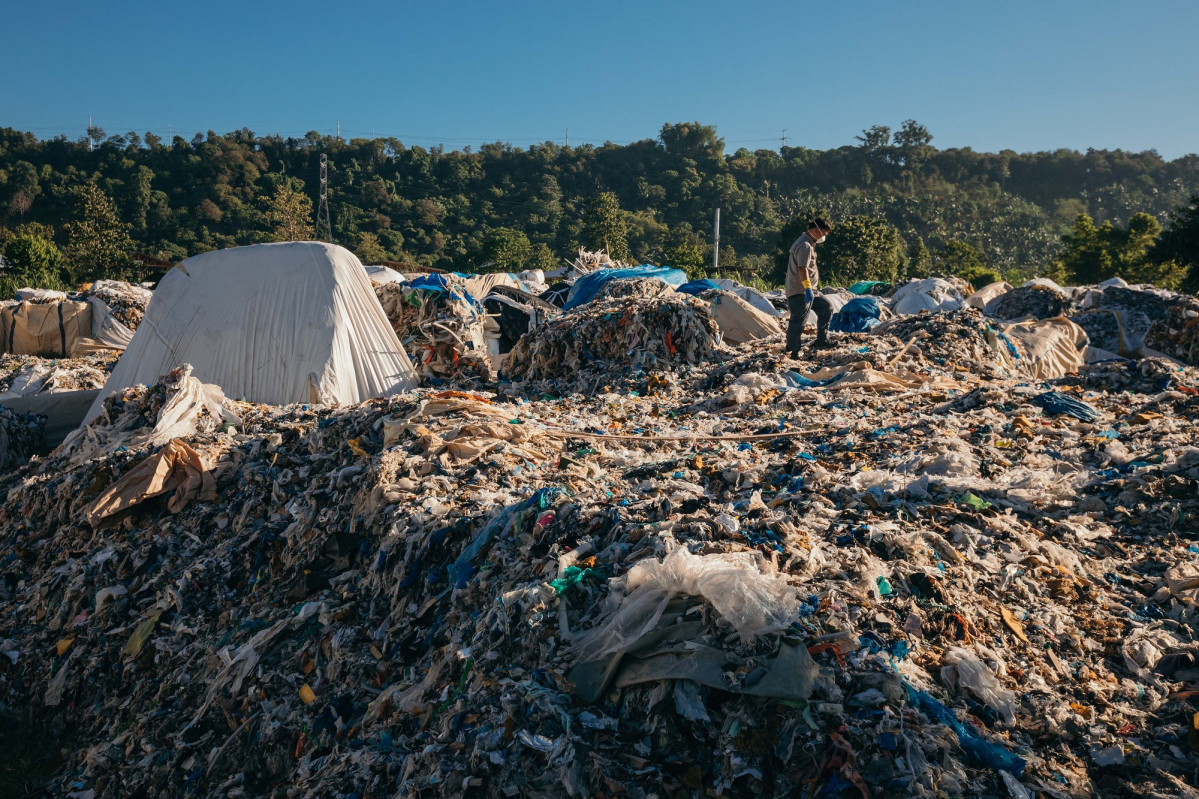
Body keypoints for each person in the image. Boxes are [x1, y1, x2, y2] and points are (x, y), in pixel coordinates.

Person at [785, 218, 834, 358]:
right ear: (815, 230)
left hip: (811, 291)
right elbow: (802, 268)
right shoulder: (805, 245)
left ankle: (821, 341)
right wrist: (807, 288)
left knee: (827, 308)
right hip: (800, 291)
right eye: (823, 233)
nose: (823, 237)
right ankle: (792, 352)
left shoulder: (809, 244)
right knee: (798, 322)